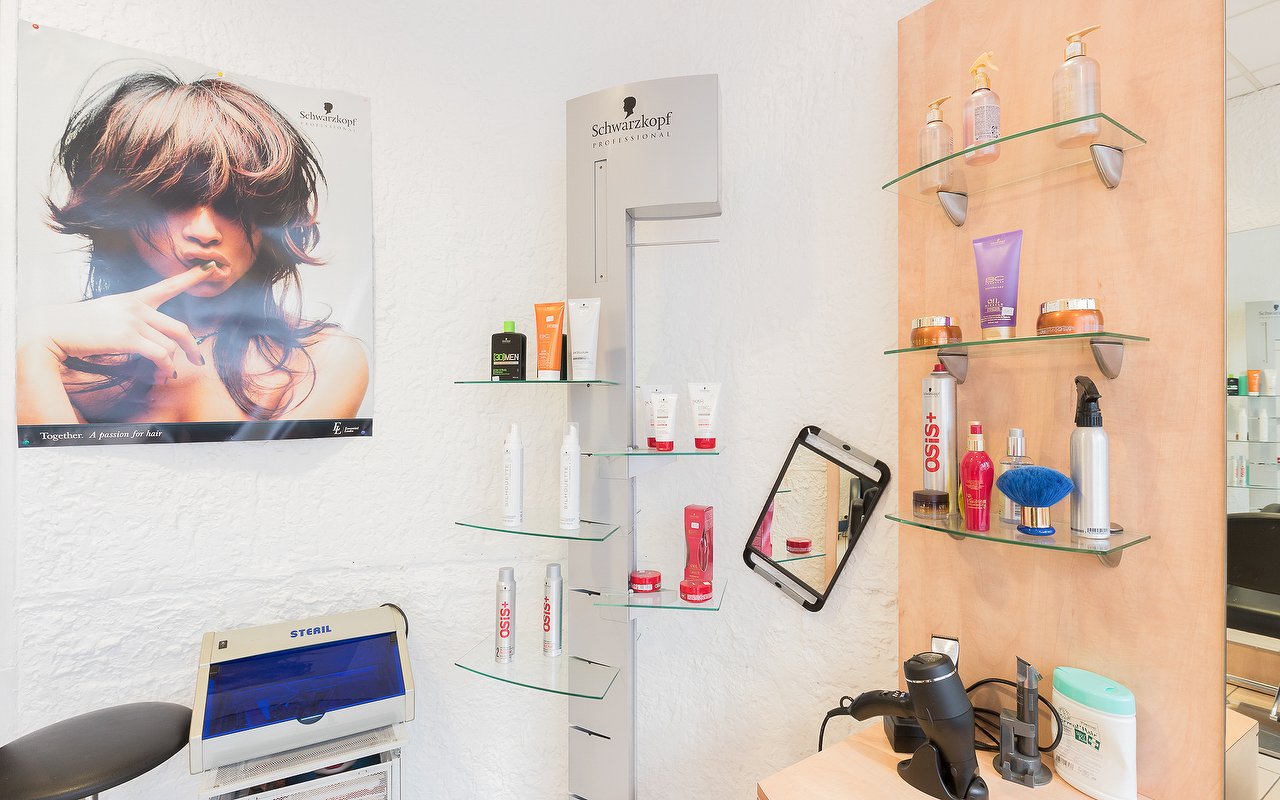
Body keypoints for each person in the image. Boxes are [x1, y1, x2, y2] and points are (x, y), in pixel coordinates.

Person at [17, 70, 368, 425]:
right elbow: (58, 461)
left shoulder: (322, 360)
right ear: (123, 213)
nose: (205, 232)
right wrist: (35, 345)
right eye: (172, 200)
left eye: (233, 204)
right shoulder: (59, 351)